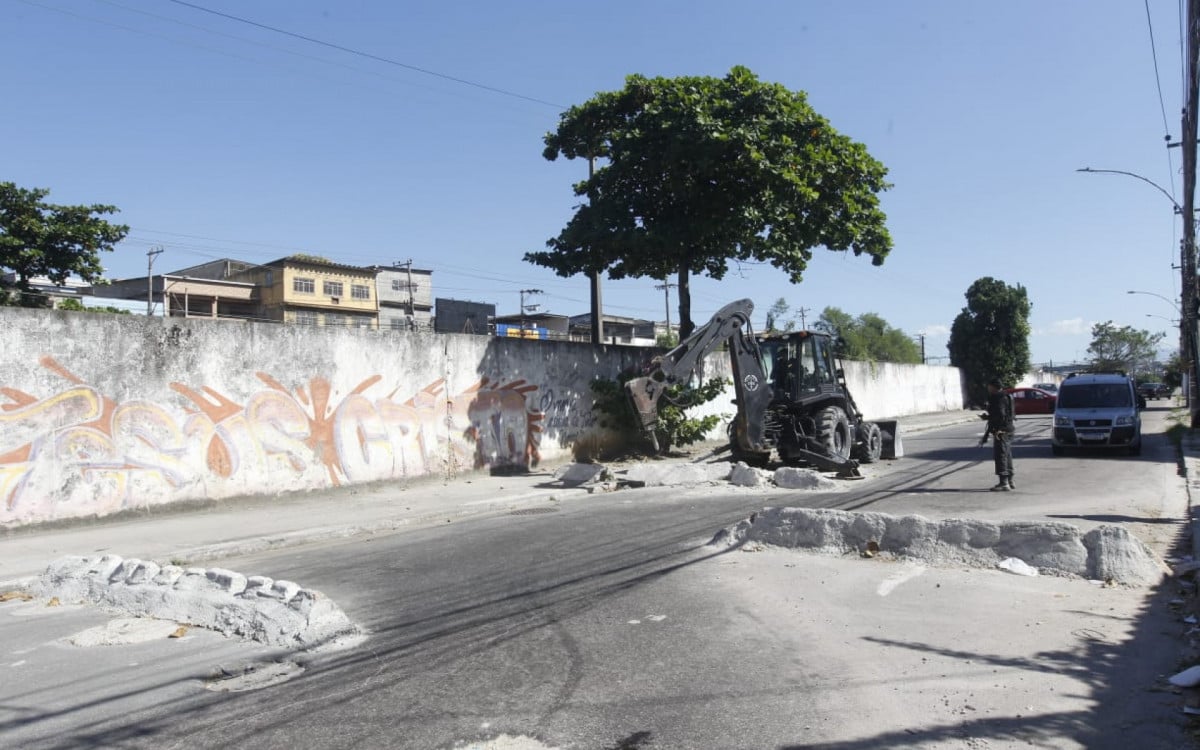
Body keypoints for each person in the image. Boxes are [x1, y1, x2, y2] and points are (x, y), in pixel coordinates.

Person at [979, 378, 1015, 491]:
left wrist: (989, 418)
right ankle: (1010, 480)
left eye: (989, 386)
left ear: (993, 387)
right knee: (1007, 454)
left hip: (1001, 430)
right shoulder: (1008, 396)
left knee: (1001, 455)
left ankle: (1004, 483)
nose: (988, 388)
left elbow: (1000, 414)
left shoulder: (998, 398)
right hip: (1009, 429)